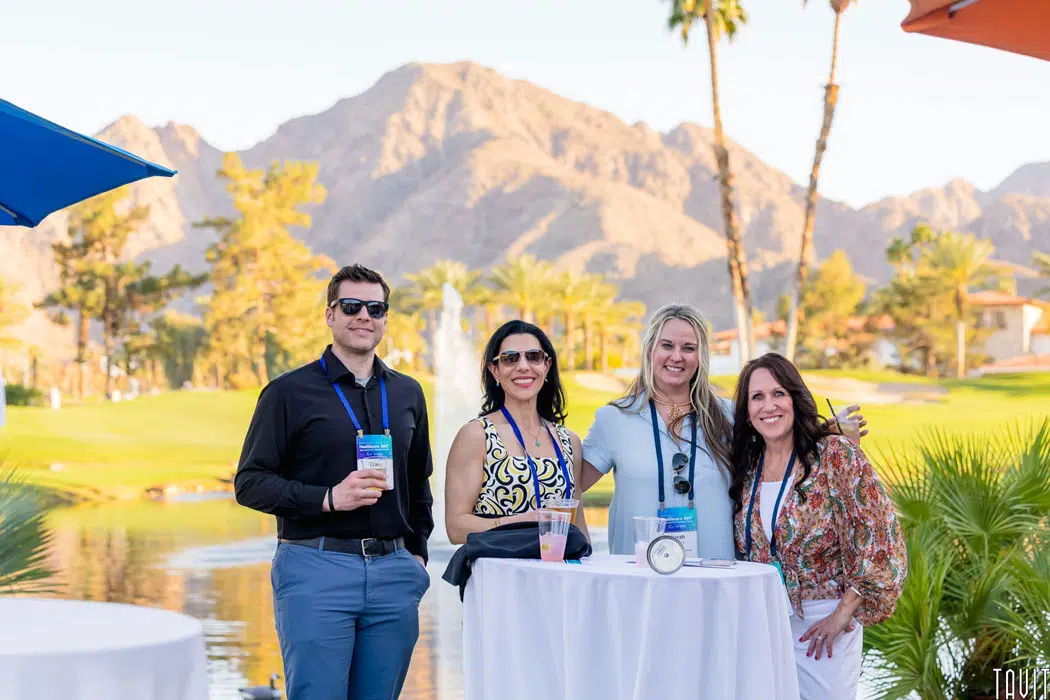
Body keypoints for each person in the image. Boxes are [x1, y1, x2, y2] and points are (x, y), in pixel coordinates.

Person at [234, 263, 434, 700]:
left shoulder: (407, 393)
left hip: (393, 574)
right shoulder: (287, 393)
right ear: (330, 315)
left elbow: (419, 482)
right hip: (315, 569)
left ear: (384, 318)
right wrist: (327, 498)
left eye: (375, 308)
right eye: (351, 306)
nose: (364, 316)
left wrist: (416, 554)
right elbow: (250, 483)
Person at [729, 352, 906, 699]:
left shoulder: (835, 454)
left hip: (824, 628)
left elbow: (882, 539)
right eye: (757, 397)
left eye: (779, 393)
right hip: (764, 625)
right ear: (747, 412)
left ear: (796, 399)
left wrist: (843, 613)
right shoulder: (747, 468)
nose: (769, 406)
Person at [580, 303, 735, 559]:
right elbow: (567, 490)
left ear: (701, 356)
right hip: (639, 582)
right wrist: (582, 544)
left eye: (688, 348)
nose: (677, 356)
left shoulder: (730, 417)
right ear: (650, 350)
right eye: (667, 345)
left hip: (714, 582)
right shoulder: (614, 418)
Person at [444, 320, 588, 544]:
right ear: (495, 371)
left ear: (546, 366)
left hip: (556, 574)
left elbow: (577, 524)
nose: (523, 366)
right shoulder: (477, 436)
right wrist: (522, 522)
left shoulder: (569, 441)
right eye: (510, 358)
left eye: (533, 356)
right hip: (499, 573)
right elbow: (456, 528)